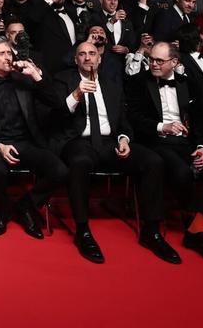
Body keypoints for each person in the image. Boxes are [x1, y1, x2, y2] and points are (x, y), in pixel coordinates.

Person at [49, 39, 177, 264]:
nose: (88, 57)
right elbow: (53, 119)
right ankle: (83, 230)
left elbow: (124, 121)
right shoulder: (63, 80)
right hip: (79, 141)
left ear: (100, 58)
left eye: (92, 53)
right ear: (75, 59)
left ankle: (152, 230)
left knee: (153, 161)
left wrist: (124, 139)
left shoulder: (113, 84)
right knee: (79, 162)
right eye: (82, 54)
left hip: (110, 142)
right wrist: (76, 95)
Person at [126, 42, 203, 262]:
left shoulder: (191, 84)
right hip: (156, 143)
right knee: (181, 171)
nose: (153, 64)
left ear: (174, 62)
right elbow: (133, 119)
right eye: (152, 59)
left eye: (159, 60)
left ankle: (197, 229)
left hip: (187, 144)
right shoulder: (137, 82)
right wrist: (161, 126)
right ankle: (154, 230)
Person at [0, 36, 66, 239]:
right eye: (1, 53)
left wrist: (36, 75)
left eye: (9, 52)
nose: (7, 57)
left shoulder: (24, 78)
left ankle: (26, 205)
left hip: (25, 142)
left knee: (60, 171)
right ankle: (2, 208)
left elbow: (56, 102)